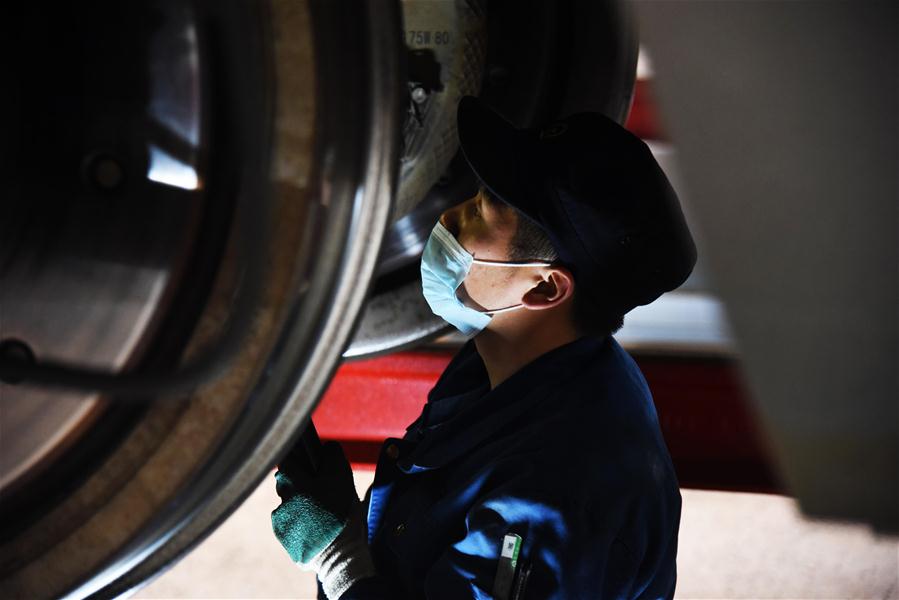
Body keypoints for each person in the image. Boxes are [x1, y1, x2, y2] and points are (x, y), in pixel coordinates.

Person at [271, 96, 696, 599]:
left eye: (482, 210)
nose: (451, 216)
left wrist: (336, 554)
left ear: (544, 289)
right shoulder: (508, 362)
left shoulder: (555, 494)